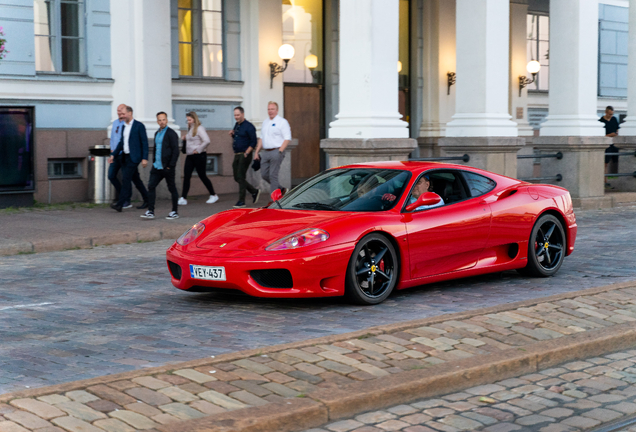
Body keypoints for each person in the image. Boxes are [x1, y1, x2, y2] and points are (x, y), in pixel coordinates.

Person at [109, 106, 149, 212]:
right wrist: (114, 154)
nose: (122, 116)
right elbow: (121, 143)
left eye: (123, 114)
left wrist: (145, 158)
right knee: (136, 180)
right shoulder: (124, 127)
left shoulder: (139, 126)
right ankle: (148, 199)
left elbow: (144, 142)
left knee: (126, 179)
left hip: (134, 157)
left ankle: (120, 204)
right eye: (121, 114)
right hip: (125, 157)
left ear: (130, 113)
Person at [141, 112, 180, 220]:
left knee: (172, 188)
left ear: (166, 120)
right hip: (157, 166)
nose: (161, 122)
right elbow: (156, 149)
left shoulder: (171, 133)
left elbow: (175, 151)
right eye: (159, 120)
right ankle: (150, 211)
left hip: (167, 167)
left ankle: (174, 211)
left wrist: (170, 166)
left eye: (163, 119)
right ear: (157, 121)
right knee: (151, 186)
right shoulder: (156, 133)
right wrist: (153, 161)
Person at [178, 111, 218, 205]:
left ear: (194, 119)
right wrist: (185, 138)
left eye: (190, 120)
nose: (189, 121)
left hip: (199, 156)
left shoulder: (200, 128)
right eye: (187, 120)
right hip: (190, 156)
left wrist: (198, 149)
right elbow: (192, 139)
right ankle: (183, 197)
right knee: (187, 176)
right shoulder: (191, 128)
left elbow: (207, 141)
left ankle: (213, 195)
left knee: (202, 175)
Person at [253, 101, 291, 195]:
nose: (270, 111)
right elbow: (261, 138)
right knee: (264, 175)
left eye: (272, 109)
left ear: (277, 110)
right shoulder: (265, 122)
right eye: (269, 109)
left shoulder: (282, 122)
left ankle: (273, 200)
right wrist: (257, 152)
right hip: (265, 152)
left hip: (276, 151)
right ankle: (281, 189)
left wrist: (280, 151)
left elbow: (287, 138)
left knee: (273, 175)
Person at [228, 106, 260, 208]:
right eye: (235, 115)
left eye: (238, 115)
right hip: (237, 154)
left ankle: (242, 201)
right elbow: (239, 137)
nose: (236, 117)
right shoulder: (237, 125)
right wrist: (232, 134)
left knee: (241, 176)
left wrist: (247, 152)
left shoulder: (249, 126)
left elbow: (253, 141)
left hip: (244, 154)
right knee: (236, 177)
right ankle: (254, 191)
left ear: (243, 114)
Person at [600, 106, 620, 177]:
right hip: (606, 143)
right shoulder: (601, 121)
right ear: (606, 112)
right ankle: (605, 180)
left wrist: (616, 133)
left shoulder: (614, 119)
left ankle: (609, 178)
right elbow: (600, 136)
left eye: (612, 114)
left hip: (613, 143)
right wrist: (609, 135)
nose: (611, 116)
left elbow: (617, 128)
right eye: (609, 114)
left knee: (615, 160)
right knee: (605, 162)